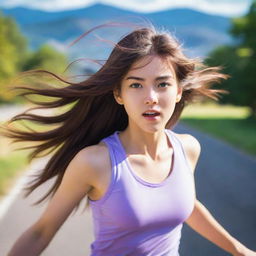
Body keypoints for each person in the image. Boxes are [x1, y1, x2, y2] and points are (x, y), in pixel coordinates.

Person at [2, 23, 256, 256]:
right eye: (136, 85)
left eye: (162, 84)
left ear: (178, 91)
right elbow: (41, 232)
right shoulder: (95, 162)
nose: (151, 97)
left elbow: (185, 203)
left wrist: (240, 251)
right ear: (118, 94)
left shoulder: (187, 148)